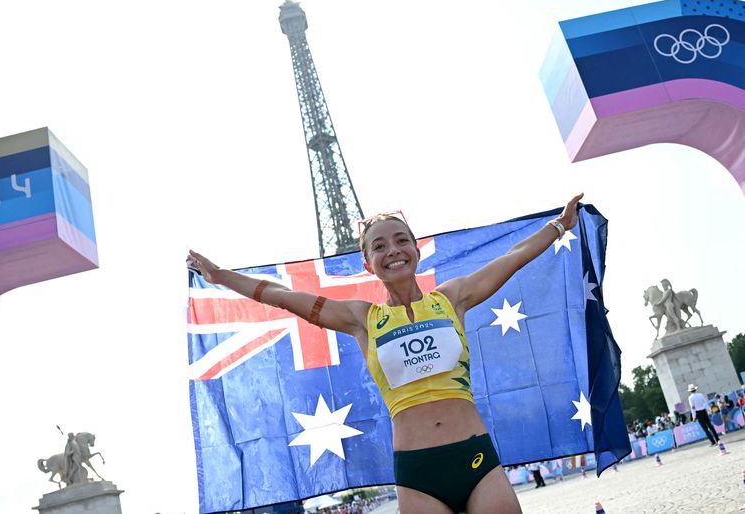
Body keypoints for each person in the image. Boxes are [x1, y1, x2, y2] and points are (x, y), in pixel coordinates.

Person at [189, 194, 584, 514]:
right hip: (418, 475)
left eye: (400, 241)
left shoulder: (452, 298)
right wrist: (222, 277)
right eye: (379, 246)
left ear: (415, 249)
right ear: (368, 263)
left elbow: (512, 258)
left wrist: (558, 225)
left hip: (475, 458)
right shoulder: (362, 318)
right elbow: (283, 297)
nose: (392, 251)